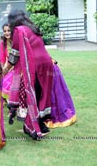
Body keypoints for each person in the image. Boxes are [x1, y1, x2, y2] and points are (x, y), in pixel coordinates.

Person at [4, 9, 76, 140]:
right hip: (46, 63)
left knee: (33, 93)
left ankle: (36, 124)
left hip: (34, 65)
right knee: (42, 93)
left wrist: (4, 70)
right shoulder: (32, 28)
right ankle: (41, 122)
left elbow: (15, 53)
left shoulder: (19, 31)